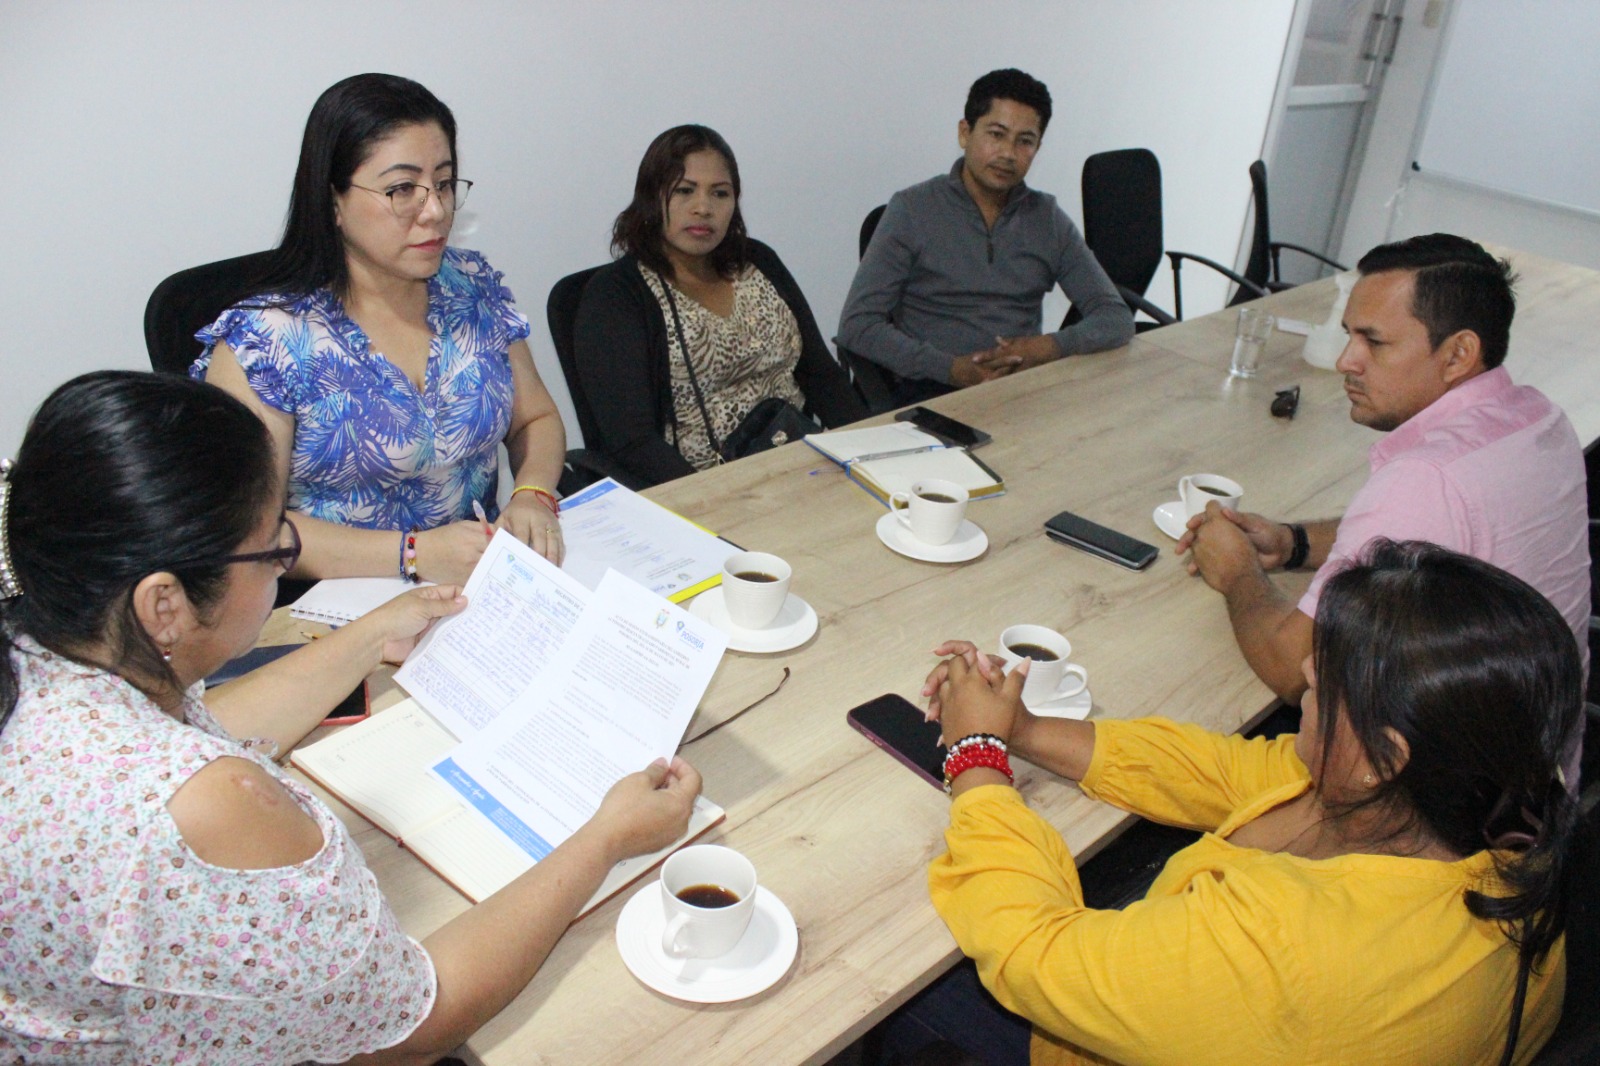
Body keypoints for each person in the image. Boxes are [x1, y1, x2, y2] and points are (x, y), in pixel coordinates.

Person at [0, 371, 701, 1063]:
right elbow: (408, 1027)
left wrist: (371, 634)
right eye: (274, 549)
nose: (282, 566)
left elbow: (201, 725)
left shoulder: (44, 659)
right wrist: (606, 837)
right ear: (165, 605)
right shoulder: (205, 804)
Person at [908, 540, 1581, 1066]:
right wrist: (1022, 729)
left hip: (1111, 1014)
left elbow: (1035, 952)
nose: (1304, 683)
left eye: (1322, 684)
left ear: (1384, 758)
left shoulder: (1292, 954)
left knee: (909, 978)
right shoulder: (1481, 807)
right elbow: (1231, 771)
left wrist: (974, 755)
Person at [1178, 233, 1588, 704]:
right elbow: (1421, 539)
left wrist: (1238, 572)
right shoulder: (1537, 417)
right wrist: (1294, 543)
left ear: (1458, 354)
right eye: (1349, 335)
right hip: (1537, 730)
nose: (1344, 361)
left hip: (1437, 748)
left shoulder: (1425, 480)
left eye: (1373, 342)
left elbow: (1292, 670)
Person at [196, 73, 567, 586]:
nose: (435, 211)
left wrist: (533, 494)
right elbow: (250, 532)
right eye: (401, 189)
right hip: (335, 605)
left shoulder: (471, 287)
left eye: (443, 184)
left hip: (477, 590)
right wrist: (412, 555)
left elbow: (536, 419)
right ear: (333, 201)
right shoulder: (267, 343)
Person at [573, 124, 867, 488]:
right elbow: (632, 443)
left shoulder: (758, 261)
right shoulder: (616, 296)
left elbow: (821, 375)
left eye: (720, 193)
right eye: (684, 190)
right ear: (651, 198)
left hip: (803, 462)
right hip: (700, 486)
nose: (703, 208)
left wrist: (871, 451)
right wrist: (717, 500)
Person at [835, 69, 1132, 404]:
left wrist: (1046, 348)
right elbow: (857, 325)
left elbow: (1115, 317)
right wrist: (951, 369)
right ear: (965, 133)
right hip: (934, 390)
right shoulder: (912, 210)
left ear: (1037, 148)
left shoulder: (1046, 219)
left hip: (1023, 388)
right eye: (996, 134)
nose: (1008, 153)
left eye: (1025, 141)